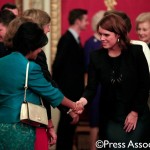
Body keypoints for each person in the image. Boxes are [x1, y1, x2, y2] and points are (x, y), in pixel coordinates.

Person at [0, 22, 84, 150]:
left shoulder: (2, 62)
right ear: (31, 46)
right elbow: (52, 93)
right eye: (39, 46)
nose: (40, 50)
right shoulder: (30, 68)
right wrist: (74, 105)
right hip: (20, 127)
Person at [80, 14, 150, 149]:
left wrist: (134, 113)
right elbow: (91, 88)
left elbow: (144, 85)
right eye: (100, 34)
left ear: (118, 34)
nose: (101, 38)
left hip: (137, 116)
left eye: (106, 35)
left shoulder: (135, 52)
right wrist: (82, 101)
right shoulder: (96, 56)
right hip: (110, 117)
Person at [52, 8, 89, 150]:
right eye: (85, 20)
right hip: (67, 92)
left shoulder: (76, 39)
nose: (87, 23)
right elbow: (57, 66)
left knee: (70, 127)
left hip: (74, 92)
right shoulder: (66, 39)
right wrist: (60, 91)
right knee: (66, 127)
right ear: (78, 21)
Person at [83, 10, 105, 150]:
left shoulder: (108, 42)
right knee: (95, 121)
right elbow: (86, 69)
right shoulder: (91, 43)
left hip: (107, 87)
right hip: (95, 89)